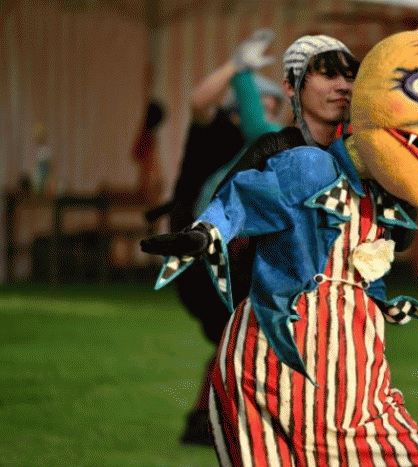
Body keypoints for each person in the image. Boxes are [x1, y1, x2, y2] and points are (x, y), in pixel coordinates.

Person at [141, 24, 418, 466]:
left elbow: (402, 236)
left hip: (352, 358)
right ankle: (204, 415)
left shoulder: (373, 167)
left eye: (351, 76)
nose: (343, 86)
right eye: (327, 74)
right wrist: (205, 232)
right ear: (293, 88)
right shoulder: (287, 154)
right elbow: (241, 196)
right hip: (277, 332)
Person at [166, 32, 360, 446]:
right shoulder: (220, 134)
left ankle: (208, 422)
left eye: (274, 104)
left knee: (242, 337)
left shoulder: (276, 149)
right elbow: (201, 103)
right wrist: (237, 68)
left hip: (239, 259)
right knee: (246, 336)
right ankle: (230, 422)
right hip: (203, 260)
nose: (269, 110)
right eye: (262, 103)